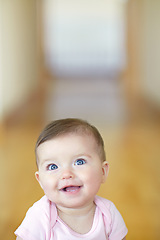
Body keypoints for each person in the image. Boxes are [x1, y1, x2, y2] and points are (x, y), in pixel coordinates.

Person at [15, 118, 128, 240]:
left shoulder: (108, 213)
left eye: (79, 162)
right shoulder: (40, 216)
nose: (66, 174)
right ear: (40, 180)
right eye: (53, 166)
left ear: (103, 171)